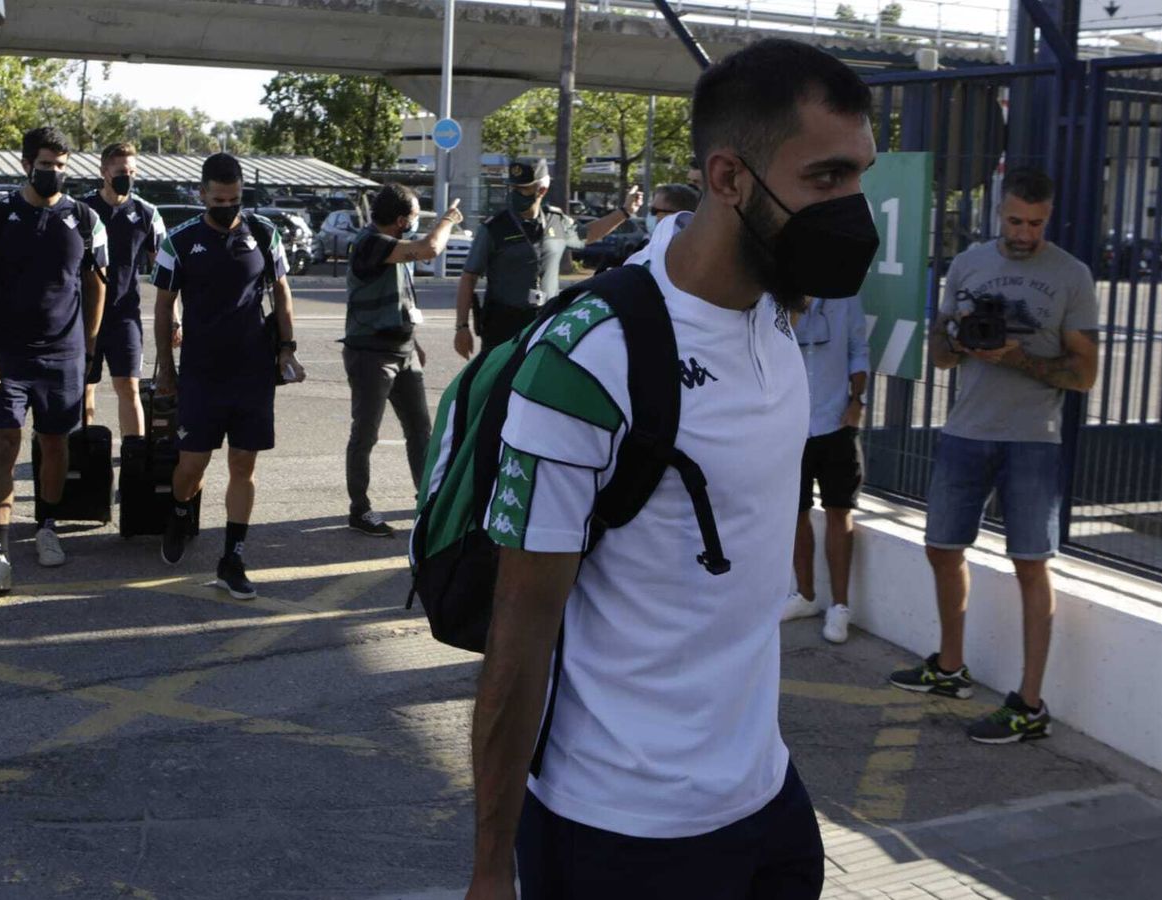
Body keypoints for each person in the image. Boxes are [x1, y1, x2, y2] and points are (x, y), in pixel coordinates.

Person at [463, 39, 879, 900]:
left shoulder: (777, 312)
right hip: (621, 834)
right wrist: (490, 870)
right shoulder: (590, 361)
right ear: (728, 178)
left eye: (859, 177)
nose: (853, 208)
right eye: (825, 179)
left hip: (767, 801)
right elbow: (519, 632)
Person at [887, 168, 1099, 746]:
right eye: (1014, 220)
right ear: (997, 213)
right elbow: (938, 353)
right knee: (941, 547)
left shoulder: (1071, 276)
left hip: (1033, 437)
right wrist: (955, 340)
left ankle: (1030, 705)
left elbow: (1084, 374)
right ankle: (950, 669)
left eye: (1035, 223)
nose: (1024, 232)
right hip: (966, 428)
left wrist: (1018, 359)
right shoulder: (969, 264)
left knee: (1031, 563)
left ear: (1047, 218)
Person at [0, 126, 108, 591]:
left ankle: (47, 526)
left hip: (64, 355)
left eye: (61, 167)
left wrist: (88, 348)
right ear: (26, 164)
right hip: (5, 354)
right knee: (3, 444)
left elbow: (98, 283)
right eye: (45, 166)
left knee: (55, 444)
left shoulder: (85, 218)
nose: (54, 174)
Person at [151, 153, 306, 600]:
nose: (228, 206)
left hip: (252, 371)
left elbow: (281, 291)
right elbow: (164, 306)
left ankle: (232, 557)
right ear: (202, 194)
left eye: (235, 198)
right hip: (200, 372)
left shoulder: (263, 232)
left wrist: (287, 350)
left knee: (243, 463)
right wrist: (167, 369)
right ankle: (180, 510)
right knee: (191, 467)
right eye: (219, 199)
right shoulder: (180, 241)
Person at [342, 183, 463, 537]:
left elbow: (399, 296)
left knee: (421, 431)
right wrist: (448, 220)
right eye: (413, 215)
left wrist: (416, 340)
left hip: (403, 350)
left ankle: (427, 501)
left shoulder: (391, 246)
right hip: (371, 354)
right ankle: (359, 509)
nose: (415, 221)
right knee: (365, 434)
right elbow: (430, 248)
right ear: (399, 221)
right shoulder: (371, 243)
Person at [453, 160, 643, 356]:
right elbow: (469, 277)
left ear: (541, 190)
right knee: (496, 383)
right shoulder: (495, 227)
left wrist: (625, 212)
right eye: (513, 187)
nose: (515, 193)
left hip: (546, 320)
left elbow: (587, 234)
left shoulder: (556, 220)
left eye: (523, 188)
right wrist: (462, 327)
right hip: (503, 322)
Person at [781, 294, 869, 645]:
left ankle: (840, 606)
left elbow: (858, 349)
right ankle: (804, 595)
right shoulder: (780, 296)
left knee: (839, 511)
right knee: (795, 512)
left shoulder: (845, 299)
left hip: (835, 422)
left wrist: (856, 400)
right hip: (791, 424)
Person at [81, 141, 167, 438]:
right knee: (83, 386)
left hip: (125, 316)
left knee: (128, 386)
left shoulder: (147, 213)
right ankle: (82, 449)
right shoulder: (82, 209)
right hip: (84, 317)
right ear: (104, 171)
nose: (126, 177)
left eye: (131, 171)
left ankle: (135, 454)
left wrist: (176, 318)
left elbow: (165, 273)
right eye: (120, 171)